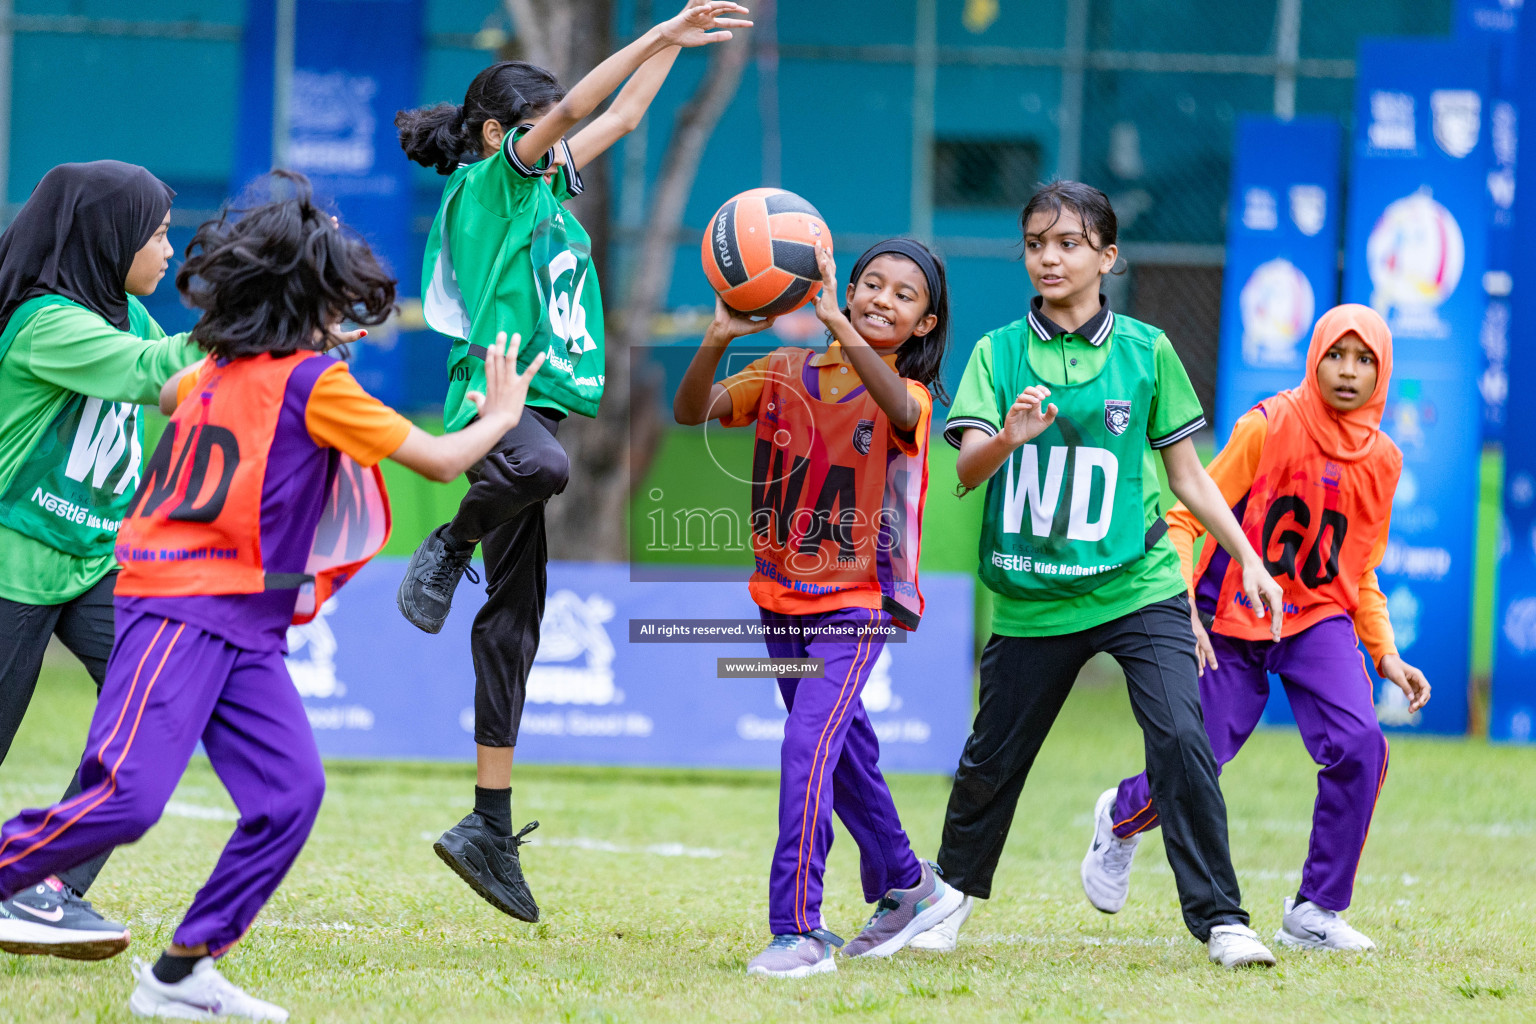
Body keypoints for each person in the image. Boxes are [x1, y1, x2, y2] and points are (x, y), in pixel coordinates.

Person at [0, 175, 543, 1021]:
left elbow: (210, 393)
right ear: (309, 303)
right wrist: (503, 412)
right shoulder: (305, 381)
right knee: (127, 800)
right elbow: (442, 463)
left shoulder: (227, 368)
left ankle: (181, 974)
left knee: (289, 797)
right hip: (180, 600)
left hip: (244, 622)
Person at [390, 0, 751, 925]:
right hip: (495, 404)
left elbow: (622, 116)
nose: (565, 140)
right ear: (496, 134)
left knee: (516, 623)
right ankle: (448, 544)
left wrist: (674, 54)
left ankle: (487, 825)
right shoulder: (492, 184)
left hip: (534, 409)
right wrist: (661, 31)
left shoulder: (547, 186)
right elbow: (586, 103)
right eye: (546, 128)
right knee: (544, 466)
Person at [910, 181, 1286, 969]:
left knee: (1184, 737)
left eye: (1069, 243)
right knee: (992, 760)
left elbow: (1188, 476)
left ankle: (1222, 919)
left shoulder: (1147, 352)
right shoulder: (998, 353)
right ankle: (946, 903)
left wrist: (1248, 558)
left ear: (1107, 257)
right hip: (1033, 595)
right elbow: (968, 470)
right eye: (1037, 243)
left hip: (1137, 581)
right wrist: (1011, 434)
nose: (1050, 257)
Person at [1082, 304, 1429, 952]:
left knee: (1361, 746)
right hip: (1230, 614)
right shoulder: (1268, 425)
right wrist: (1182, 604)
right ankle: (1119, 818)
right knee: (1196, 759)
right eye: (1336, 355)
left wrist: (1386, 653)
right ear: (1314, 357)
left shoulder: (1384, 460)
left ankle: (1315, 912)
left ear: (1382, 374)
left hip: (1315, 619)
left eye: (1365, 361)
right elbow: (1189, 517)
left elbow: (1360, 573)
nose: (1348, 372)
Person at [674, 239, 962, 977]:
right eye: (871, 284)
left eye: (904, 296)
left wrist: (837, 324)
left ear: (925, 326)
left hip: (856, 603)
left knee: (807, 748)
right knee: (846, 758)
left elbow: (896, 404)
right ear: (843, 284)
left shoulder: (913, 399)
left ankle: (797, 930)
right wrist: (716, 338)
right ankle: (911, 885)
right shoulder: (781, 371)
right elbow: (690, 410)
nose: (881, 300)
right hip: (779, 597)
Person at [0, 161, 206, 960]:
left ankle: (41, 886)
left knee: (165, 696)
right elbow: (155, 373)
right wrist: (273, 311)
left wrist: (290, 352)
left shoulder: (132, 315)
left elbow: (188, 385)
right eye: (155, 232)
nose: (168, 246)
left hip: (91, 561)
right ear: (106, 237)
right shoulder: (48, 322)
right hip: (13, 561)